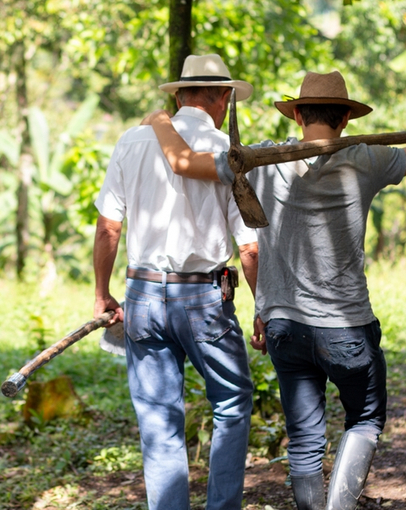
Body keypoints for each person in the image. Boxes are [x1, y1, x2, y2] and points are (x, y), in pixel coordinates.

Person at [142, 70, 406, 510]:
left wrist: (161, 119)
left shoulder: (260, 160)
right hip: (347, 328)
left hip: (285, 329)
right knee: (366, 418)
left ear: (296, 114)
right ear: (346, 119)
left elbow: (182, 162)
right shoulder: (366, 160)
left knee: (305, 438)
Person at [92, 54, 260, 510]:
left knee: (158, 418)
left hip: (142, 293)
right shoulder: (227, 151)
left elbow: (109, 228)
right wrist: (262, 307)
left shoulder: (132, 141)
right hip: (203, 295)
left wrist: (102, 294)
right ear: (223, 97)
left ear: (180, 95)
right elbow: (249, 247)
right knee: (231, 401)